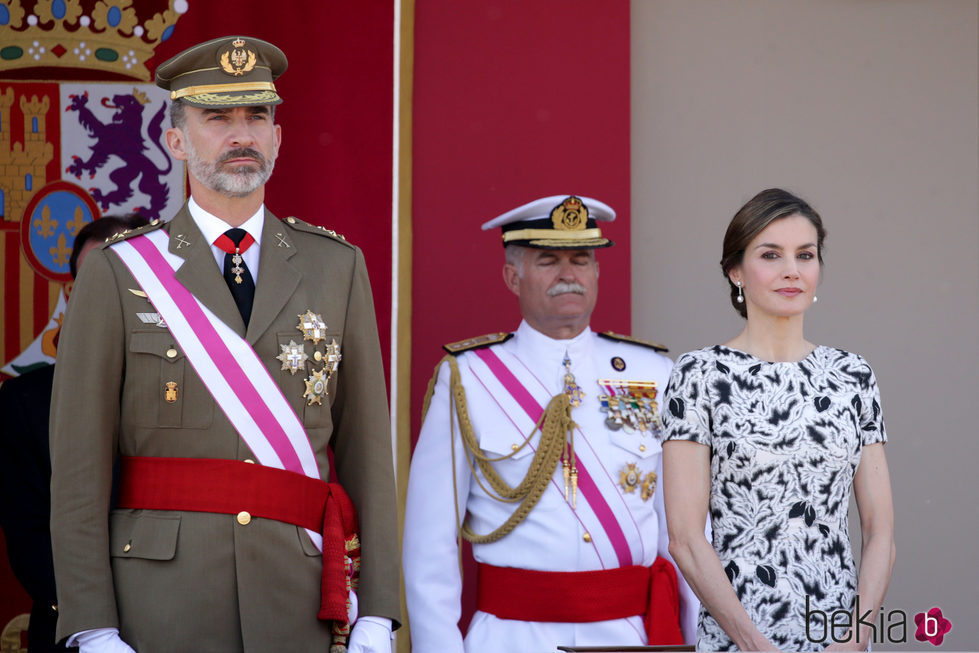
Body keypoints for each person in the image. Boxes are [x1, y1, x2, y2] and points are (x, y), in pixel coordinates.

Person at [48, 36, 399, 653]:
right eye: (217, 117)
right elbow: (78, 470)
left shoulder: (335, 267)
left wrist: (379, 610)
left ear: (278, 137)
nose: (242, 134)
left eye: (256, 116)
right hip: (158, 605)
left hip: (298, 602)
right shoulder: (118, 271)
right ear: (177, 140)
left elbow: (369, 452)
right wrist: (91, 624)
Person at [403, 195, 699, 652]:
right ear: (511, 276)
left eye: (582, 259)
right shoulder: (469, 378)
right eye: (548, 260)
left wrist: (702, 638)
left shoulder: (654, 373)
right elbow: (430, 548)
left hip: (631, 635)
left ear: (597, 272)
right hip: (511, 637)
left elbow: (682, 532)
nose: (568, 275)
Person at [662, 188, 896, 651]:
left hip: (838, 638)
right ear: (736, 271)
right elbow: (686, 539)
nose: (792, 270)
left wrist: (855, 640)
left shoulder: (852, 375)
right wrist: (754, 645)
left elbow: (881, 532)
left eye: (805, 255)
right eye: (771, 255)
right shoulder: (699, 375)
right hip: (740, 640)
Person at [0, 214, 148, 653]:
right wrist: (101, 627)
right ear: (73, 294)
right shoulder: (24, 404)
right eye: (96, 282)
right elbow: (31, 544)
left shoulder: (216, 390)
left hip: (187, 623)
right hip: (78, 631)